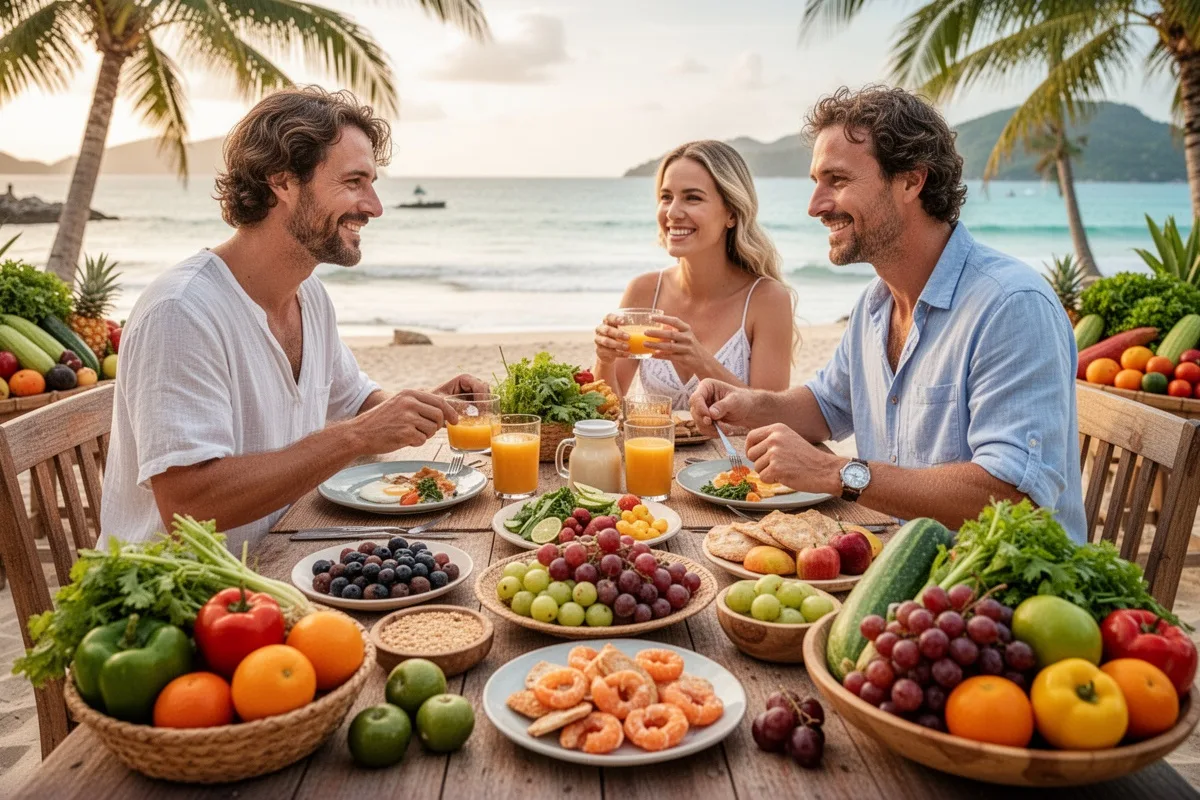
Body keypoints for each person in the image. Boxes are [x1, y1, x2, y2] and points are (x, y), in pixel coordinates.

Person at [690, 86, 1086, 541]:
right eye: (816, 182)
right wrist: (748, 405)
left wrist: (837, 472)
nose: (815, 205)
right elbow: (827, 405)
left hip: (998, 593)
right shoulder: (877, 304)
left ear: (911, 181)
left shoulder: (1010, 307)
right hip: (900, 564)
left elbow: (1012, 497)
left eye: (836, 181)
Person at [101, 87, 487, 551]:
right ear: (282, 182)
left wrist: (426, 403)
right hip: (184, 600)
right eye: (353, 182)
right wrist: (357, 436)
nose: (374, 207)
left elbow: (359, 403)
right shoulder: (181, 313)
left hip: (278, 560)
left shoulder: (311, 297)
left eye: (372, 184)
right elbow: (190, 505)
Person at [592, 140, 796, 410]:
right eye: (666, 197)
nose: (673, 212)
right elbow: (605, 408)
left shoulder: (767, 299)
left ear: (732, 213)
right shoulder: (643, 291)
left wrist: (699, 360)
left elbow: (772, 416)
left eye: (693, 198)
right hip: (657, 452)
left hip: (734, 454)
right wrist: (604, 359)